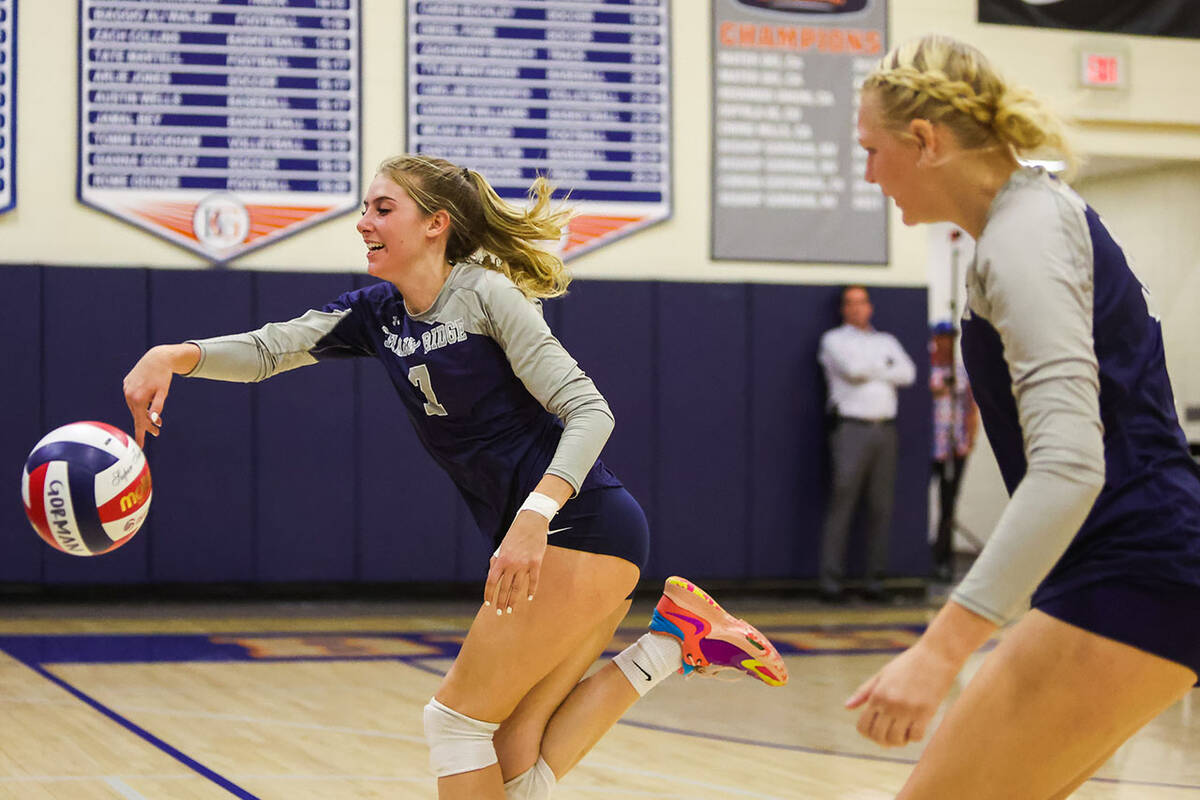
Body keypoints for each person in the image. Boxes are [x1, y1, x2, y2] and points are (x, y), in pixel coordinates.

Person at [122, 155, 788, 800]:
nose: (363, 222)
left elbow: (589, 410)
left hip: (578, 527)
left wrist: (534, 517)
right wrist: (176, 355)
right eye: (364, 209)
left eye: (383, 208)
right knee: (512, 762)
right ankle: (675, 643)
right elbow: (273, 349)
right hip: (567, 543)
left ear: (435, 223)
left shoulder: (485, 295)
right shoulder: (376, 314)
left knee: (455, 722)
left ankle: (675, 643)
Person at [846, 34, 1200, 798]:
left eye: (873, 150)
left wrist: (942, 651)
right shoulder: (1027, 221)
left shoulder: (1024, 235)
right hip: (1139, 563)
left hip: (1133, 566)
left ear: (925, 140)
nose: (869, 173)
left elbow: (1072, 465)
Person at [817, 284, 917, 602]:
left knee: (880, 506)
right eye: (851, 303)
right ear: (843, 309)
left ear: (870, 307)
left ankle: (875, 582)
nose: (857, 308)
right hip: (851, 429)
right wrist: (885, 367)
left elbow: (908, 373)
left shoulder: (886, 340)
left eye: (862, 303)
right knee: (843, 502)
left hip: (885, 430)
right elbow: (853, 371)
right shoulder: (834, 339)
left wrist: (882, 369)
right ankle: (830, 582)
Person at [929, 320, 978, 582]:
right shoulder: (926, 366)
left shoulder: (961, 370)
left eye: (950, 337)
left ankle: (942, 558)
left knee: (948, 504)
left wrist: (970, 440)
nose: (946, 342)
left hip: (953, 447)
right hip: (928, 447)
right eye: (942, 337)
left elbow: (971, 407)